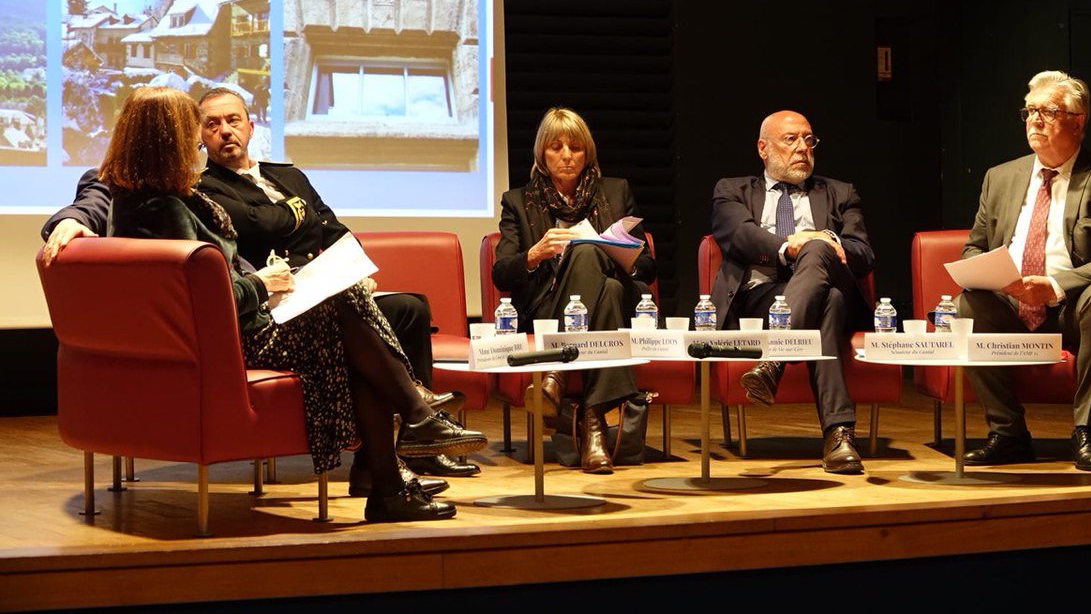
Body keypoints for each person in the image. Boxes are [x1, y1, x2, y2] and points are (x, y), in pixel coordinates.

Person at [41, 87, 476, 482]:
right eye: (197, 129)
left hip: (250, 310)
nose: (202, 139)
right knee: (344, 317)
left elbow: (324, 227)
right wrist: (263, 281)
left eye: (229, 122)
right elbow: (213, 272)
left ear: (252, 126)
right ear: (168, 139)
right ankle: (404, 437)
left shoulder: (215, 186)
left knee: (388, 305)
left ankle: (392, 459)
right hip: (234, 329)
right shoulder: (156, 197)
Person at [194, 87, 475, 480]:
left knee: (409, 309)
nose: (225, 131)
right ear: (201, 136)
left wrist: (353, 270)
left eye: (233, 120)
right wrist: (300, 218)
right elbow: (259, 226)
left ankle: (416, 444)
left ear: (251, 126)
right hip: (280, 302)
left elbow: (335, 230)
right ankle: (410, 423)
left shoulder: (288, 175)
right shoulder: (206, 189)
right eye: (213, 124)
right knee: (354, 325)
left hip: (329, 285)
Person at [957, 70, 1091, 472]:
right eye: (1029, 111)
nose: (1034, 121)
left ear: (1078, 121)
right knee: (967, 304)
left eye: (1048, 111)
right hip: (1012, 302)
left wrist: (1055, 286)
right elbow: (975, 245)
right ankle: (1007, 435)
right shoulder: (1000, 177)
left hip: (1076, 308)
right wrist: (994, 275)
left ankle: (1086, 432)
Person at [710, 110, 874, 474]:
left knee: (821, 253)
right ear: (763, 148)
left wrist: (823, 241)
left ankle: (774, 360)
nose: (803, 147)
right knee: (825, 298)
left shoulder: (839, 192)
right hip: (760, 300)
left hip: (824, 286)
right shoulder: (732, 190)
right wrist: (789, 246)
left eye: (809, 139)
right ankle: (839, 434)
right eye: (791, 139)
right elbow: (740, 237)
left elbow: (862, 253)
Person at [492, 108, 655, 474]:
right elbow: (502, 273)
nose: (566, 155)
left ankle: (557, 376)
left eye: (576, 147)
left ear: (588, 154)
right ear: (542, 154)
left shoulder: (616, 191)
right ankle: (594, 425)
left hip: (625, 298)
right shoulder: (518, 201)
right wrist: (534, 254)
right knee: (609, 293)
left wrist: (619, 255)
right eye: (556, 146)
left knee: (594, 259)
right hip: (549, 307)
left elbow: (648, 267)